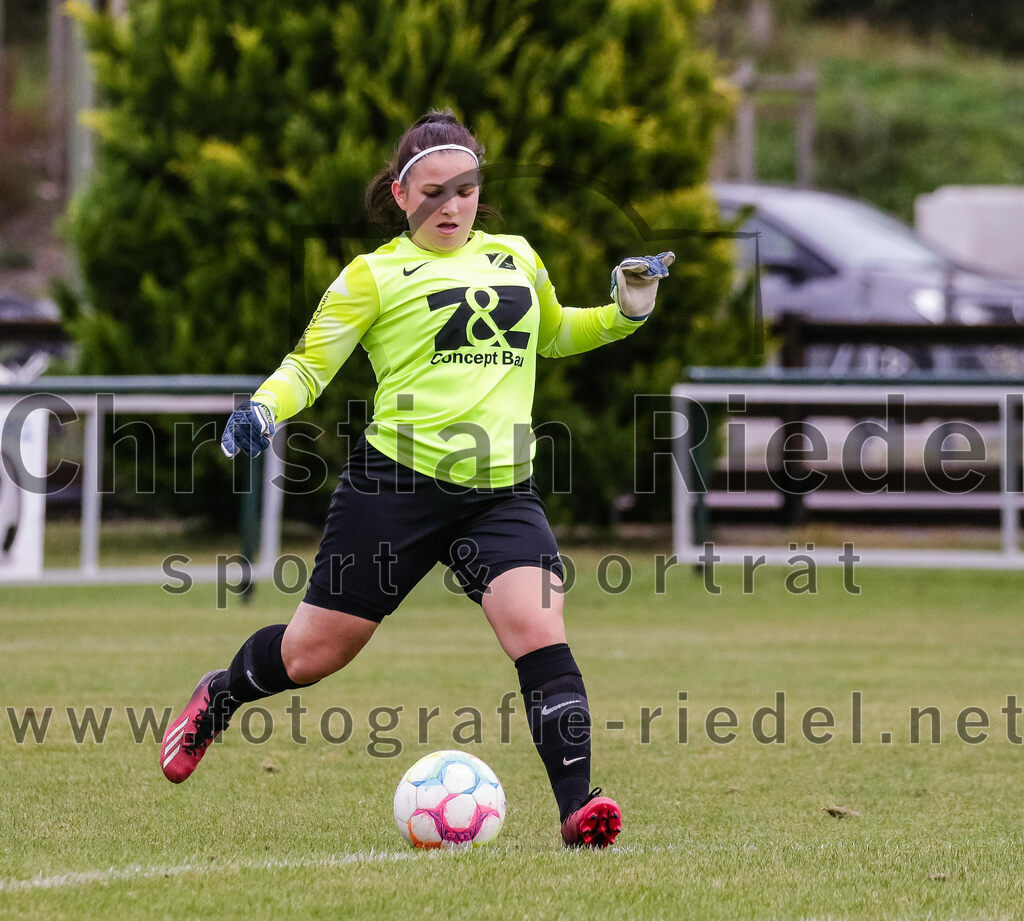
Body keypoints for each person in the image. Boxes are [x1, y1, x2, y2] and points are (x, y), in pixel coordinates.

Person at [160, 110, 673, 849]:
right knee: (312, 654)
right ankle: (220, 695)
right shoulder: (371, 275)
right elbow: (309, 365)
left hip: (500, 492)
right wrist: (265, 408)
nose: (451, 206)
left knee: (538, 629)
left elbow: (556, 333)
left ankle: (578, 808)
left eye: (464, 190)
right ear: (401, 195)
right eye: (433, 192)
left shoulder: (516, 256)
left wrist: (628, 308)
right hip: (393, 488)